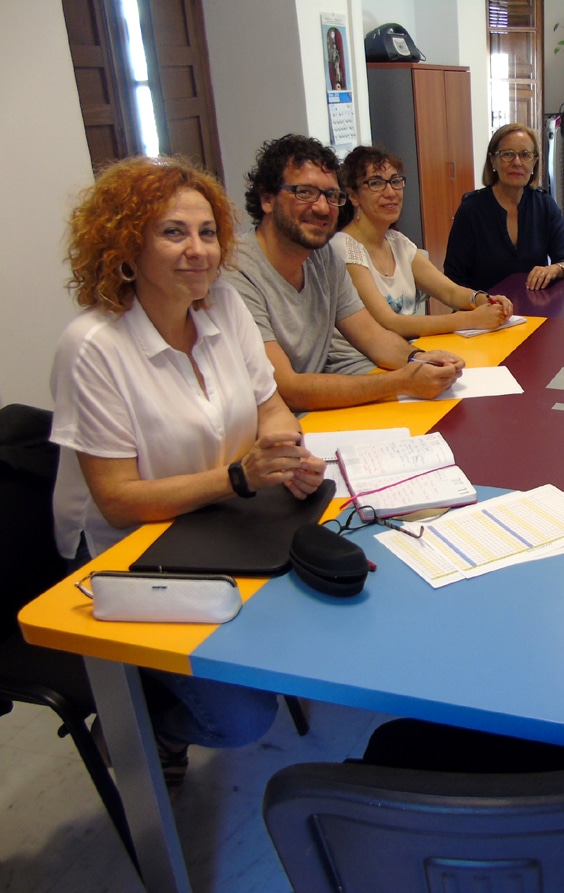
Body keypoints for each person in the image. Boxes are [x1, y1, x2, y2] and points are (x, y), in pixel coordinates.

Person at [50, 156, 328, 792]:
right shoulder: (93, 347)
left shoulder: (224, 308)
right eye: (173, 233)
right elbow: (117, 501)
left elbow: (268, 402)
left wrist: (287, 450)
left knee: (325, 618)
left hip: (228, 525)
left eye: (207, 233)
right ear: (125, 248)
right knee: (239, 720)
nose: (198, 251)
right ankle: (148, 722)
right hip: (134, 556)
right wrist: (239, 477)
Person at [224, 134, 464, 412]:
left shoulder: (322, 256)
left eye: (330, 195)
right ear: (267, 198)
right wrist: (402, 382)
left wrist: (421, 360)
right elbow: (286, 388)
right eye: (305, 192)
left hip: (315, 417)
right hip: (267, 433)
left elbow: (372, 336)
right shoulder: (237, 271)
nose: (323, 207)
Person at [332, 145, 515, 337]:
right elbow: (390, 323)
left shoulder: (398, 242)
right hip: (365, 362)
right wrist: (470, 319)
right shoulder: (344, 247)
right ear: (353, 196)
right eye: (376, 183)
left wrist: (483, 300)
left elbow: (450, 292)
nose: (390, 193)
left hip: (408, 351)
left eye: (395, 181)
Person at [444, 123, 564, 292]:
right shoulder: (471, 210)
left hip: (533, 311)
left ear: (534, 163)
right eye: (508, 154)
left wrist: (554, 269)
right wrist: (481, 305)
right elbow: (454, 279)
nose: (517, 163)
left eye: (525, 155)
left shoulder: (545, 205)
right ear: (493, 160)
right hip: (482, 310)